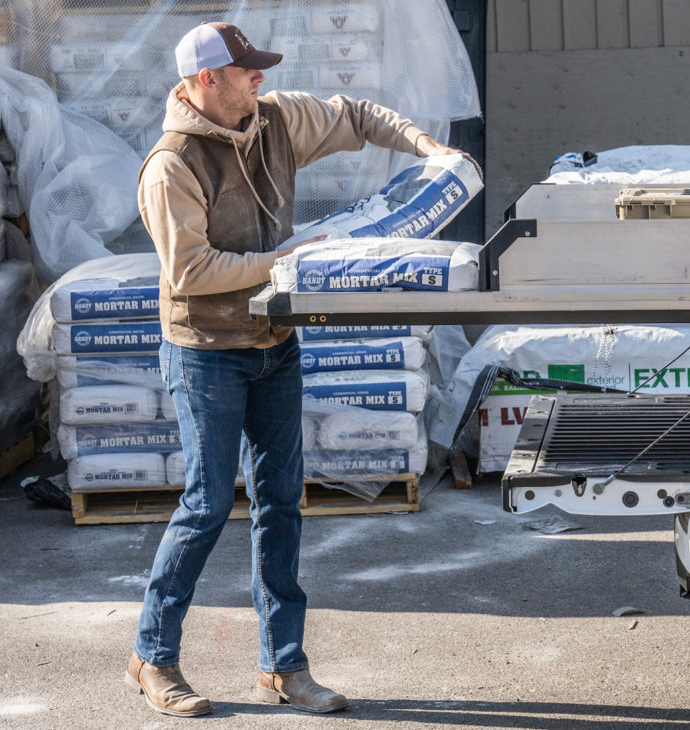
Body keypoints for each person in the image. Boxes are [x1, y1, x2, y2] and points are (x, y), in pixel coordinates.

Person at [124, 21, 469, 717]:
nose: (259, 78)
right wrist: (292, 262)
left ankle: (284, 667)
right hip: (205, 353)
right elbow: (189, 272)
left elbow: (357, 116)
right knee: (206, 504)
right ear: (204, 82)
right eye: (245, 71)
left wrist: (428, 148)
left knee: (282, 502)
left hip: (273, 346)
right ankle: (152, 657)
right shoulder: (172, 165)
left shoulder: (274, 120)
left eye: (259, 69)